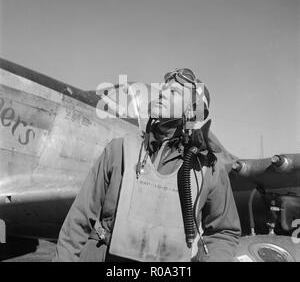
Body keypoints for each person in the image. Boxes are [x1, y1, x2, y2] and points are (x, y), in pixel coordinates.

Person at [53, 68, 241, 262]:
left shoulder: (209, 167)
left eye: (174, 92)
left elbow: (224, 232)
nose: (162, 92)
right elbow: (78, 221)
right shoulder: (119, 150)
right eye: (163, 88)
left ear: (193, 111)